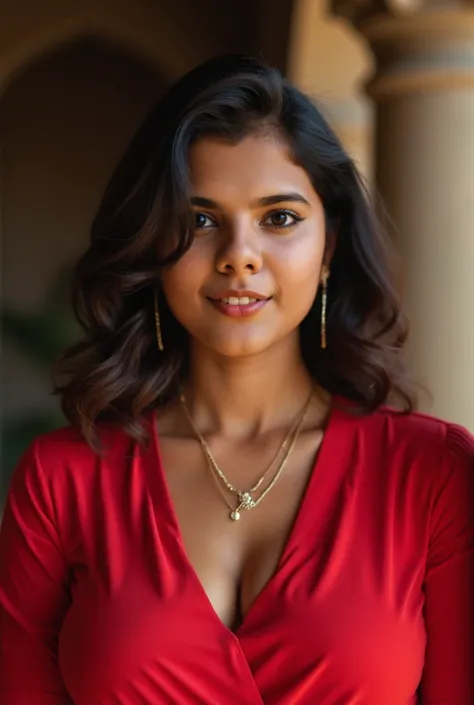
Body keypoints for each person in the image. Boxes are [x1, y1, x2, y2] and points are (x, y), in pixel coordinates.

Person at [0, 54, 472, 705]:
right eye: (199, 220)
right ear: (152, 242)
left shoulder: (433, 474)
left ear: (330, 243)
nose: (238, 255)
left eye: (279, 217)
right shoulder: (63, 480)